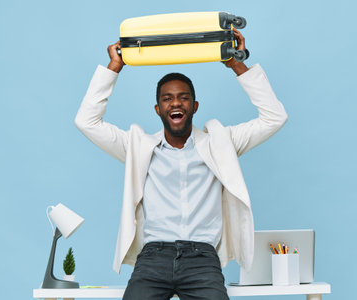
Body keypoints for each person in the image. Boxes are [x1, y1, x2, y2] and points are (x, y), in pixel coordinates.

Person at [75, 29, 287, 299]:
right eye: (167, 98)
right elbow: (86, 122)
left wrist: (236, 63)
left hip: (202, 261)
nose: (176, 102)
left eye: (183, 97)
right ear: (158, 109)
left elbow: (274, 117)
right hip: (152, 258)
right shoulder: (137, 147)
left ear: (194, 106)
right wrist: (114, 67)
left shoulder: (221, 143)